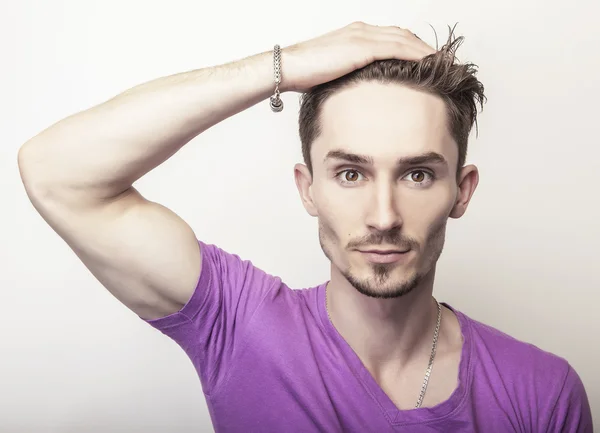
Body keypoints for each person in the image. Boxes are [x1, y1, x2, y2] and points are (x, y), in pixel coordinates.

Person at [18, 21, 593, 432]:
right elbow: (56, 172)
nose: (384, 216)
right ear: (307, 188)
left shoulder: (540, 393)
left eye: (417, 174)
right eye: (350, 174)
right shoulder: (242, 327)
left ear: (460, 192)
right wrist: (282, 66)